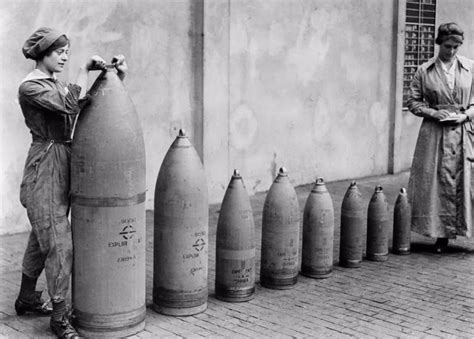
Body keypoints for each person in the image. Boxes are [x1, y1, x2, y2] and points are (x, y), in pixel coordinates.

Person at [16, 27, 127, 338]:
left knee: (44, 237)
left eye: (67, 51)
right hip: (46, 165)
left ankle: (26, 298)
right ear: (42, 54)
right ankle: (60, 318)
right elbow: (68, 105)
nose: (64, 56)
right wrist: (81, 71)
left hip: (62, 159)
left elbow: (84, 106)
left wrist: (115, 77)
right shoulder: (31, 87)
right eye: (58, 51)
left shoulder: (54, 83)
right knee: (58, 243)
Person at [407, 22, 473, 254]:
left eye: (456, 47)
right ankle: (441, 236)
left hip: (464, 132)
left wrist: (464, 115)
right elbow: (413, 102)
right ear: (439, 44)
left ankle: (468, 232)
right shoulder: (425, 71)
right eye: (447, 46)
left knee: (468, 183)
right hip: (435, 133)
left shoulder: (470, 68)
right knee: (436, 184)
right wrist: (434, 112)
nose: (452, 51)